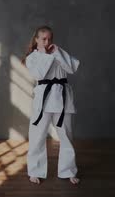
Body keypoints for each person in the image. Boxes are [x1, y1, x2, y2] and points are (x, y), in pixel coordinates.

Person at [22, 26, 80, 185]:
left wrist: (57, 53)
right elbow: (39, 74)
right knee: (37, 136)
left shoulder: (57, 52)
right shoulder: (32, 58)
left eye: (49, 39)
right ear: (37, 39)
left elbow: (71, 69)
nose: (47, 42)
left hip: (62, 98)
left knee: (66, 136)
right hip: (44, 99)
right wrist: (46, 55)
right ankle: (35, 170)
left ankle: (68, 170)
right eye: (43, 39)